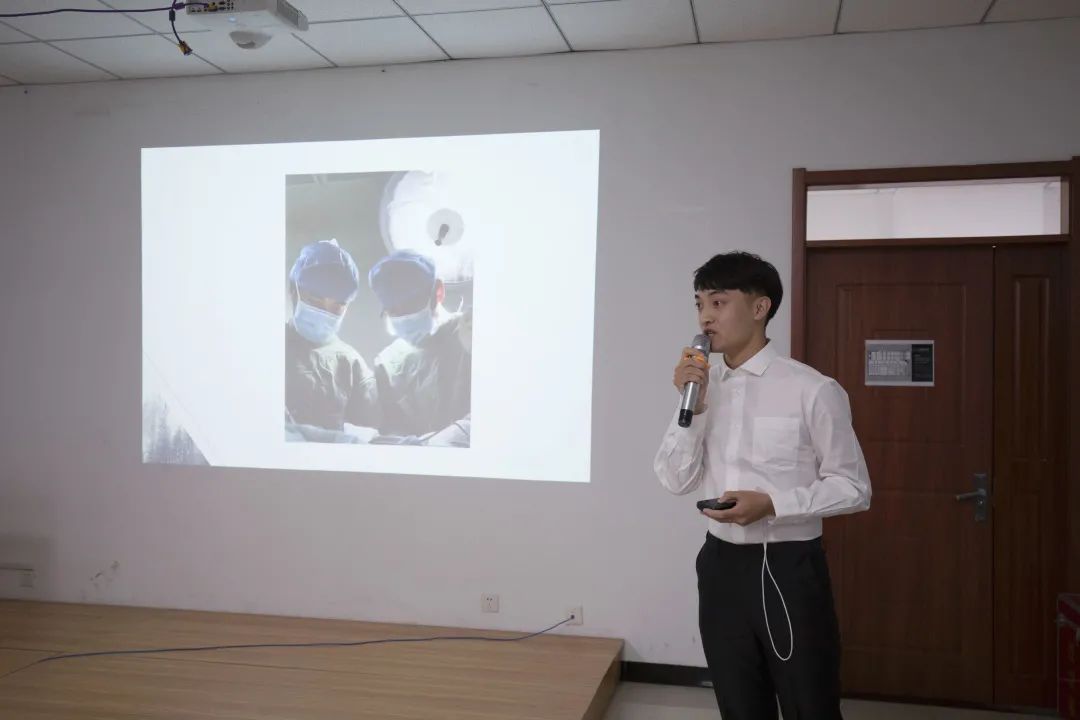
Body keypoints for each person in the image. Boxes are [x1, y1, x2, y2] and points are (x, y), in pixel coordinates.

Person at [654, 251, 871, 719]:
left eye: (718, 302)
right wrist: (694, 407)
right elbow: (674, 479)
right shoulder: (703, 388)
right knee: (739, 704)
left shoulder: (812, 389)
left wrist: (773, 504)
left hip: (789, 566)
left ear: (760, 307)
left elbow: (854, 487)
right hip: (719, 565)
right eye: (699, 304)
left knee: (809, 704)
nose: (705, 317)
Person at [367, 250, 471, 443]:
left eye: (411, 305)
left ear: (438, 292)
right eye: (393, 311)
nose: (404, 316)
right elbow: (391, 425)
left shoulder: (470, 335)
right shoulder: (387, 363)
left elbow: (495, 406)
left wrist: (458, 436)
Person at [285, 239, 380, 442]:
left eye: (337, 306)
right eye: (315, 301)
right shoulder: (270, 347)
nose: (325, 312)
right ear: (293, 291)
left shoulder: (351, 363)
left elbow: (374, 431)